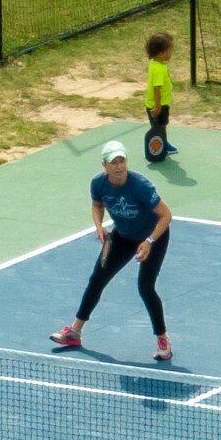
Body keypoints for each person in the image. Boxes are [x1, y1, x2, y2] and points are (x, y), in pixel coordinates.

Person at [49, 140, 175, 361]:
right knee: (97, 279)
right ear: (104, 165)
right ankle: (75, 332)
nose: (119, 166)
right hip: (122, 236)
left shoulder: (140, 186)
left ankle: (163, 341)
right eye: (113, 162)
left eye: (122, 160)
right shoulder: (98, 184)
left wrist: (149, 241)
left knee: (145, 287)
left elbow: (166, 215)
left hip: (153, 236)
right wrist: (99, 226)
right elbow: (97, 205)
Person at [144, 32, 179, 161]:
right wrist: (158, 107)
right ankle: (158, 146)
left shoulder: (155, 64)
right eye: (170, 50)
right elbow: (156, 89)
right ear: (161, 53)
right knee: (159, 127)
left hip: (159, 104)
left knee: (160, 126)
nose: (171, 53)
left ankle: (163, 143)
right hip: (158, 106)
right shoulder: (159, 69)